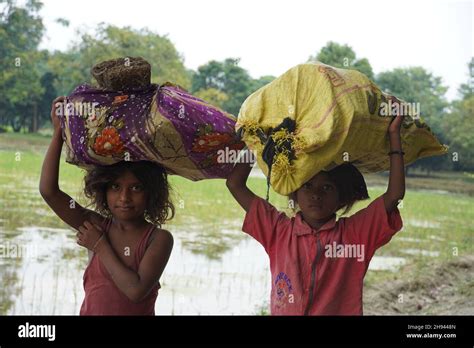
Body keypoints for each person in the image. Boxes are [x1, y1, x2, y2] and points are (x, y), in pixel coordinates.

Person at [226, 114, 405, 315]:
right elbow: (234, 184)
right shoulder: (277, 229)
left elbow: (394, 195)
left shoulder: (355, 235)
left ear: (342, 198)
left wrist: (393, 136)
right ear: (294, 192)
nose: (316, 195)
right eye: (307, 186)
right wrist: (256, 142)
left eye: (327, 188)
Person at [39, 97, 174, 315]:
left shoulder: (158, 239)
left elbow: (136, 291)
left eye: (136, 188)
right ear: (103, 189)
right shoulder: (95, 224)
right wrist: (57, 134)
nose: (124, 198)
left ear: (152, 193)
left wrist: (100, 246)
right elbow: (49, 192)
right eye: (115, 187)